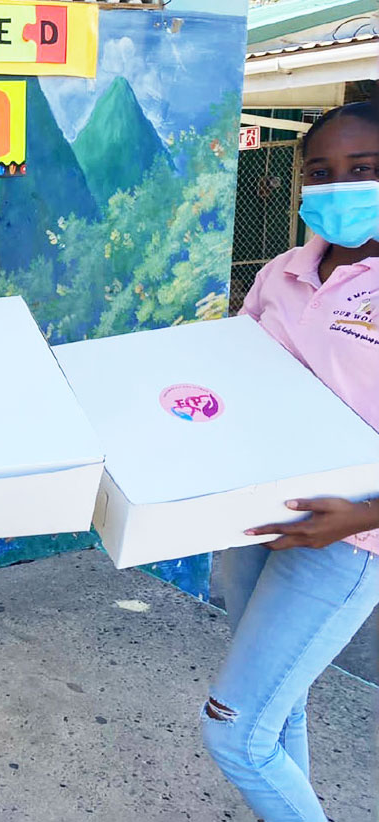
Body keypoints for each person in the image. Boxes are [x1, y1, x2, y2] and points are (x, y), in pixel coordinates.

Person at [202, 101, 379, 822]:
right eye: (322, 172)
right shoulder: (281, 272)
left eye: (363, 171)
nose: (338, 186)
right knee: (279, 713)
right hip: (257, 516)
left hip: (346, 538)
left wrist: (362, 516)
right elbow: (234, 371)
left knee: (235, 732)